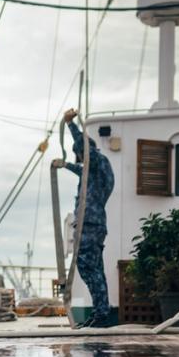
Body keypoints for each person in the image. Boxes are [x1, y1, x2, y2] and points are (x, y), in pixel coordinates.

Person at [53, 108, 114, 328]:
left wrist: (70, 124)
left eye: (79, 156)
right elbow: (81, 169)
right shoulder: (97, 168)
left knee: (87, 266)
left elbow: (84, 150)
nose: (79, 159)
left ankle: (101, 314)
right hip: (94, 224)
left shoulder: (97, 161)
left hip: (90, 224)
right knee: (95, 269)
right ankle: (101, 313)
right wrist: (65, 165)